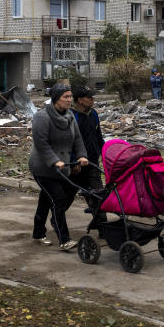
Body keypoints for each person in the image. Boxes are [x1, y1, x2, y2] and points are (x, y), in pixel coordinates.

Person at [28, 83, 89, 251]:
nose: (70, 100)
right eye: (66, 97)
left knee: (45, 200)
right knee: (58, 198)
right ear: (56, 99)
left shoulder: (69, 116)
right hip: (42, 167)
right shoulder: (42, 117)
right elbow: (41, 144)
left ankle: (38, 232)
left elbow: (77, 140)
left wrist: (82, 156)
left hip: (62, 167)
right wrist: (54, 160)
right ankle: (65, 239)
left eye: (70, 96)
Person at [72, 86, 107, 229]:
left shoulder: (93, 114)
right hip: (75, 165)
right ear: (80, 100)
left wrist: (105, 154)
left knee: (98, 195)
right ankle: (57, 221)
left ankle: (104, 228)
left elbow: (98, 137)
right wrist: (74, 160)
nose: (93, 100)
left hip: (92, 162)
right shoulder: (72, 116)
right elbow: (69, 140)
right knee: (65, 197)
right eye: (90, 98)